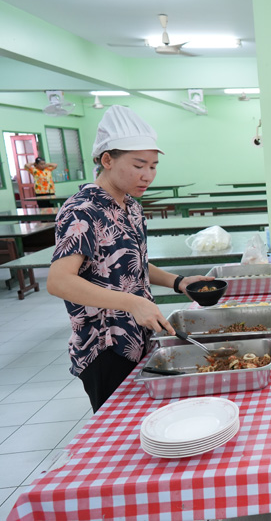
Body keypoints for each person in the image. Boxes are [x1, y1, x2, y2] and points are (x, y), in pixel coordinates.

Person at [46, 106, 214, 413]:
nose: (147, 175)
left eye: (153, 166)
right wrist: (132, 303)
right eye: (138, 165)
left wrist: (179, 282)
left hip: (139, 336)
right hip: (105, 348)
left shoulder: (130, 206)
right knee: (119, 427)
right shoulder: (82, 211)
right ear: (107, 160)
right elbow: (59, 281)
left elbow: (129, 263)